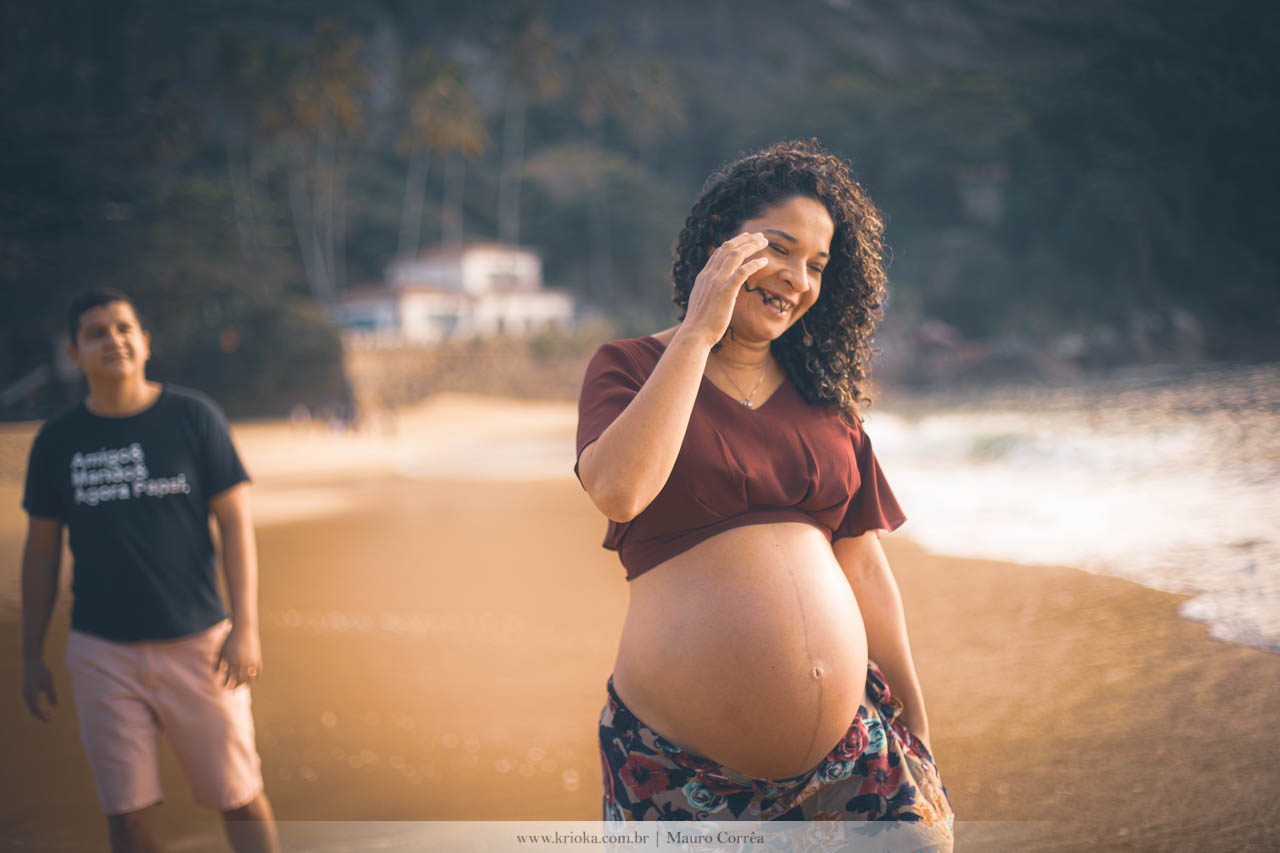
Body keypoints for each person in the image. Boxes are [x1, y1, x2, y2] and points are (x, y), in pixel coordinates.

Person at [575, 140, 953, 840]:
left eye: (817, 265)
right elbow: (619, 490)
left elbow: (864, 566)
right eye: (780, 249)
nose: (798, 278)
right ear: (723, 242)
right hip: (679, 769)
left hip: (853, 754)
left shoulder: (826, 403)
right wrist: (698, 332)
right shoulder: (631, 367)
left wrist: (917, 719)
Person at [20, 289, 279, 853]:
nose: (113, 339)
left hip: (201, 645)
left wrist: (246, 626)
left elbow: (235, 523)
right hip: (101, 652)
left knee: (238, 794)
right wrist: (30, 654)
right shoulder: (57, 440)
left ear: (144, 342)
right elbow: (41, 551)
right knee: (127, 814)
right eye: (96, 332)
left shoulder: (192, 416)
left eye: (124, 328)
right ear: (74, 352)